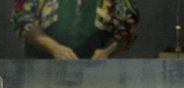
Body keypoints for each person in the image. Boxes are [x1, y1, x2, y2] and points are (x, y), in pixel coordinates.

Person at [11, 0, 139, 60]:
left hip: (92, 73)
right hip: (41, 70)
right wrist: (54, 48)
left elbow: (126, 30)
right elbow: (23, 20)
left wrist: (107, 51)